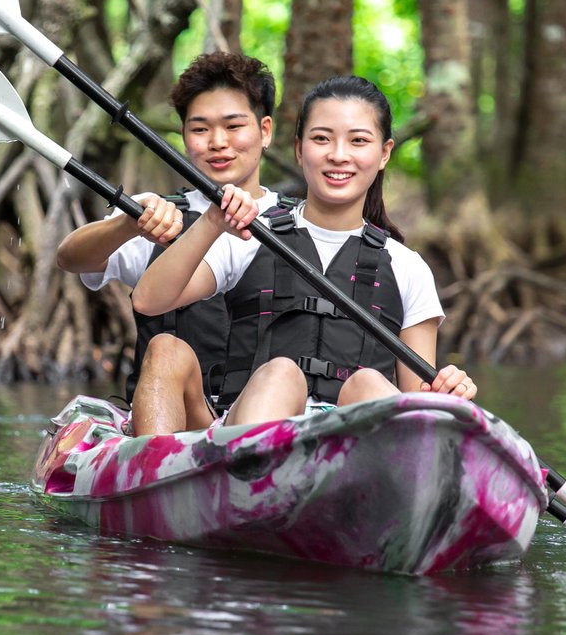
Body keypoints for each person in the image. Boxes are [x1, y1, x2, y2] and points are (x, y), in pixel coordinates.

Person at [131, 74, 475, 429]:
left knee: (368, 384)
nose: (338, 156)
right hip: (246, 430)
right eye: (321, 139)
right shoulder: (251, 235)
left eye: (358, 141)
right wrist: (212, 223)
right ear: (299, 149)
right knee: (192, 354)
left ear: (384, 153)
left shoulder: (407, 266)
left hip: (353, 446)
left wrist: (445, 392)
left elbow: (418, 396)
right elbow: (148, 300)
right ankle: (201, 472)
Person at [54, 52, 280, 433]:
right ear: (184, 136)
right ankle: (154, 467)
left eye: (234, 126)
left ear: (266, 131)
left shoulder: (299, 224)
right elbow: (70, 258)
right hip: (173, 418)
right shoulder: (155, 215)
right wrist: (126, 225)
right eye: (200, 129)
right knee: (165, 349)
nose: (218, 142)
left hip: (262, 422)